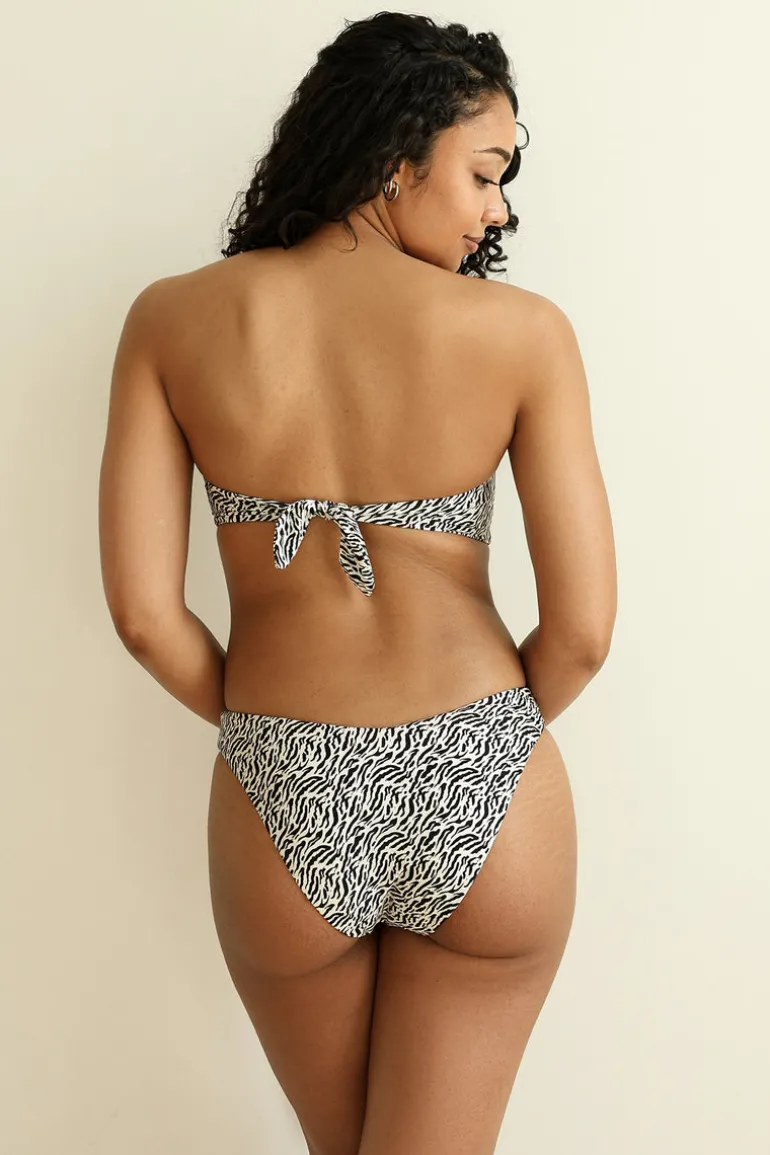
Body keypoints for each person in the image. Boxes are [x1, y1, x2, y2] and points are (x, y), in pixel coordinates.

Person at [98, 12, 616, 1155]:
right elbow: (580, 633)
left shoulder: (172, 321)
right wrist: (478, 750)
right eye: (483, 173)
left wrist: (269, 732)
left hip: (281, 776)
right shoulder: (523, 334)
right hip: (478, 776)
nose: (497, 211)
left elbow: (142, 615)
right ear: (396, 154)